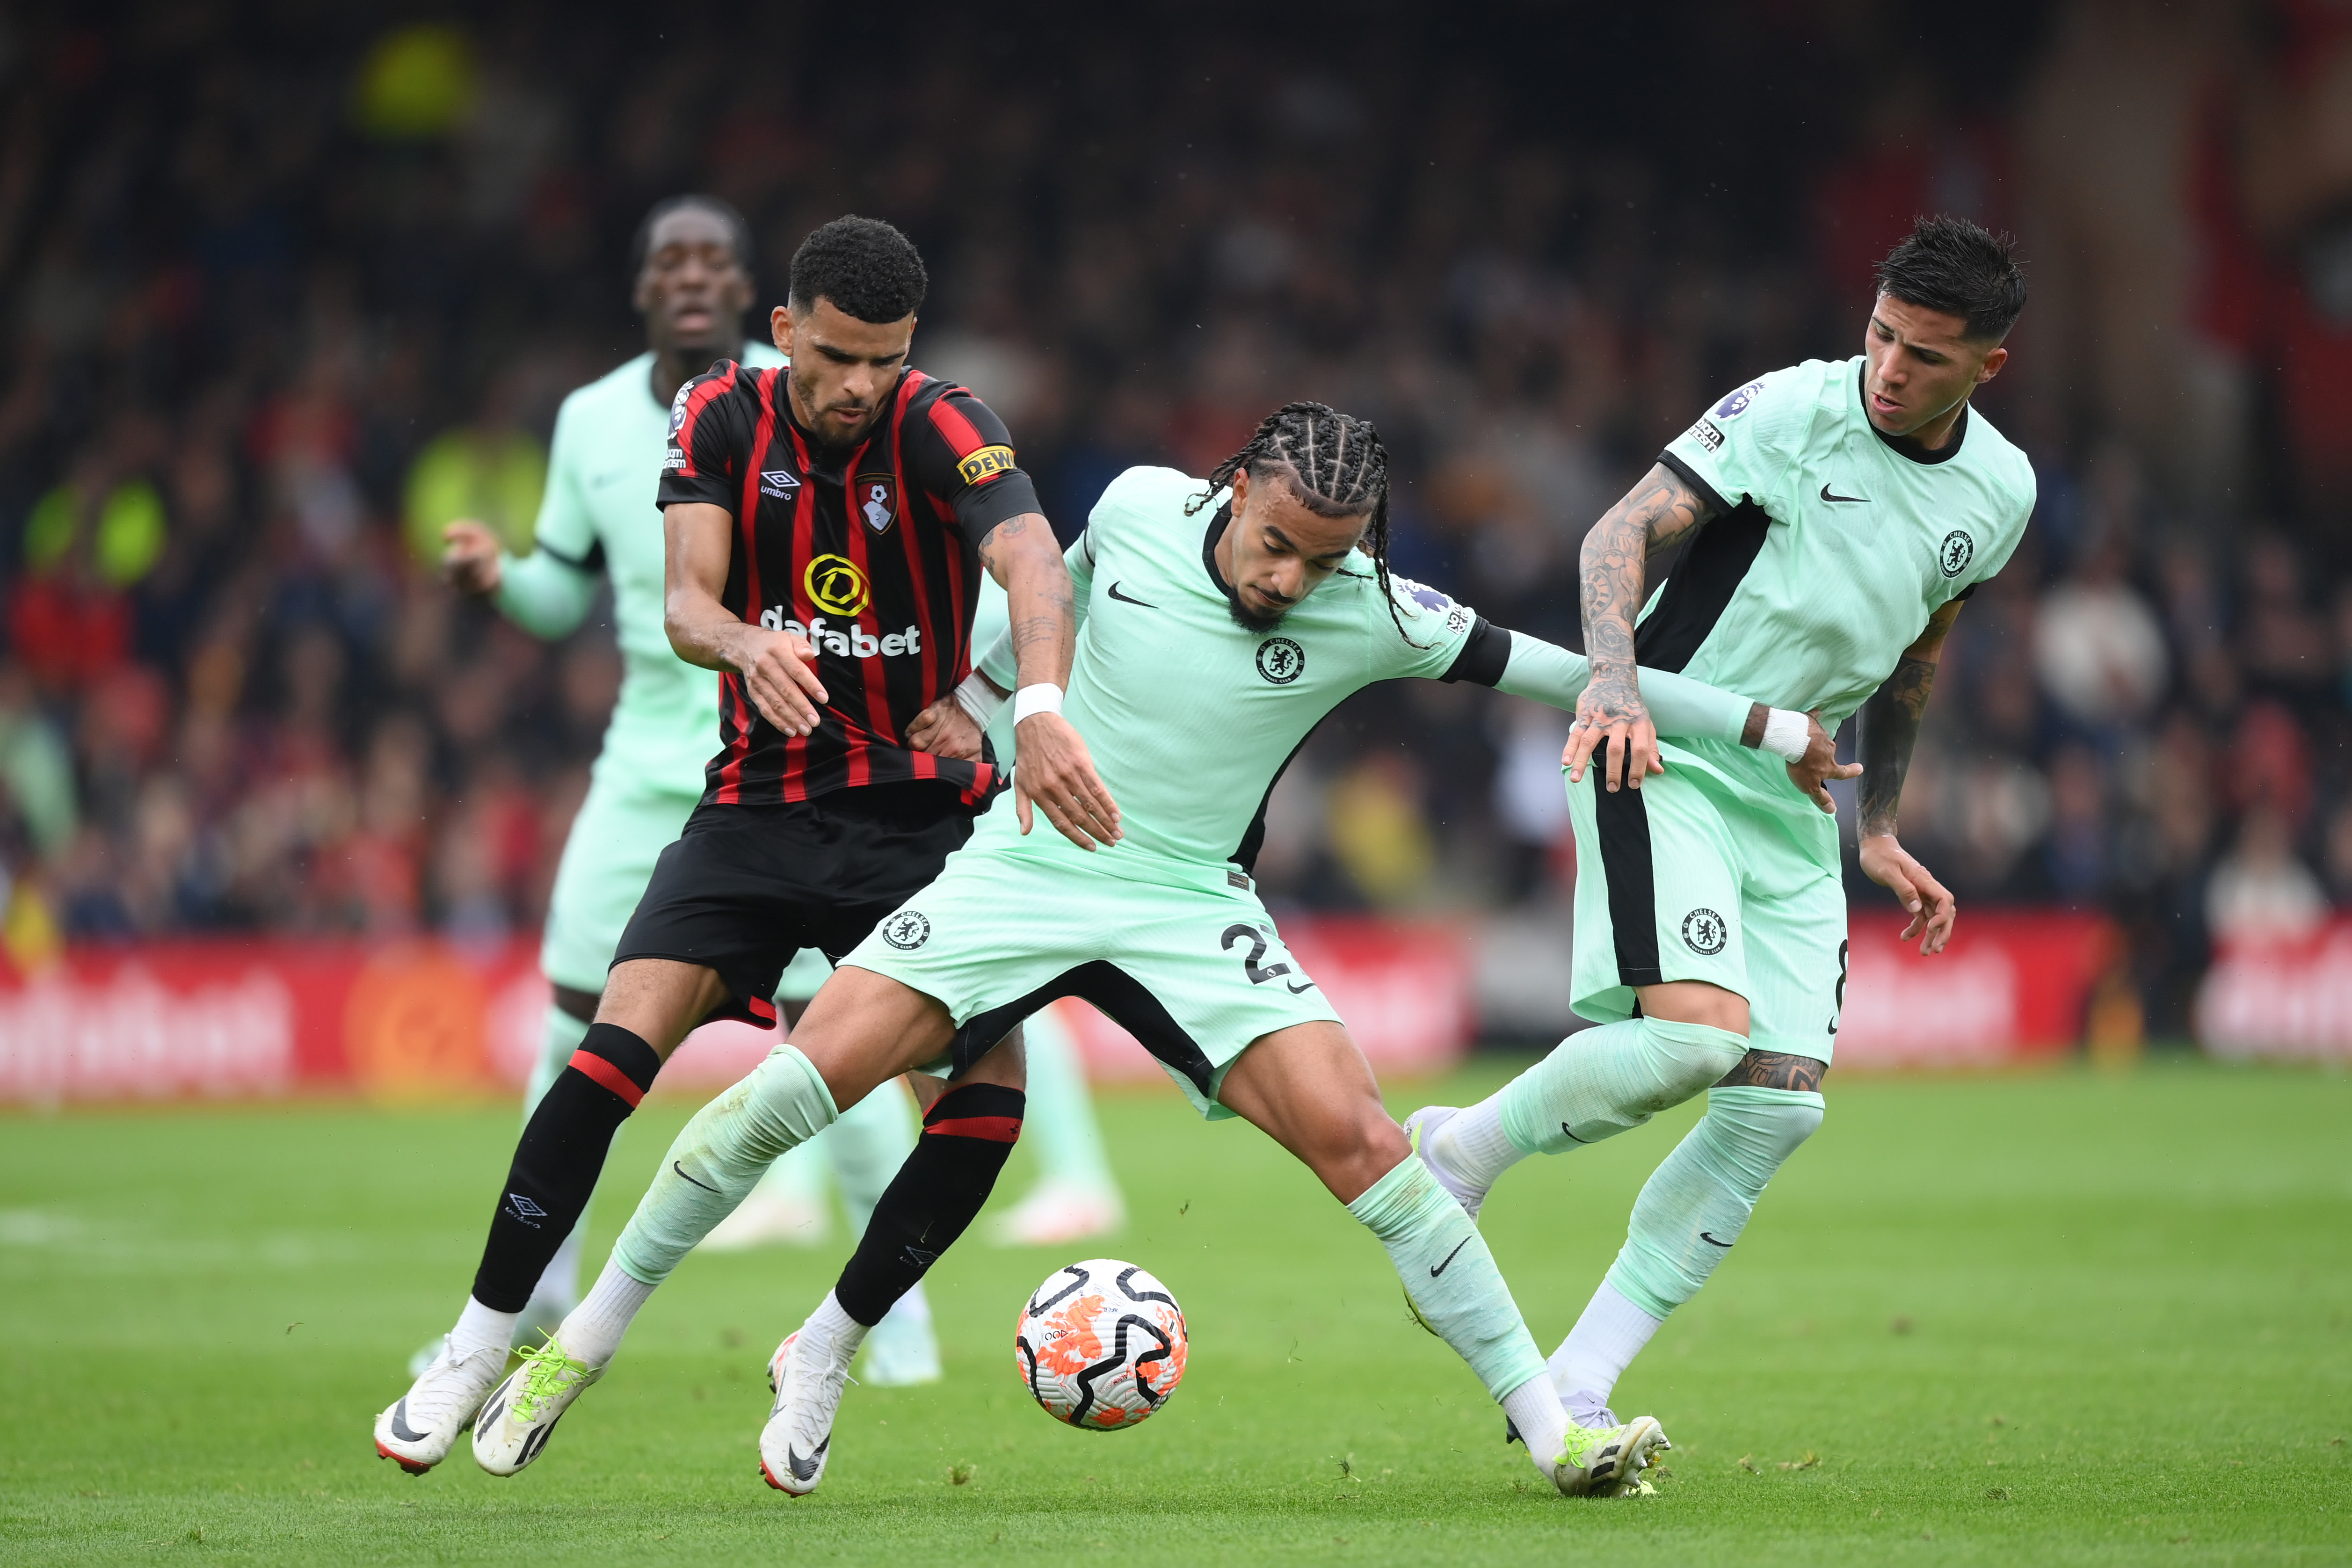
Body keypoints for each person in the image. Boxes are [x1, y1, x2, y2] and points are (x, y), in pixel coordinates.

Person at [463, 401, 1843, 1499]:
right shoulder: (1129, 507)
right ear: (1236, 486)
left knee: (1364, 1142)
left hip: (1190, 904)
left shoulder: (1373, 605)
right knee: (781, 1094)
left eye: (1328, 556)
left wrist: (1770, 730)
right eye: (1280, 544)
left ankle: (1554, 1435)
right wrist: (986, 697)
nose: (1293, 578)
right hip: (1026, 867)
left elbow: (1554, 666)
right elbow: (1036, 603)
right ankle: (573, 1356)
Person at [375, 213, 1113, 1474]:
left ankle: (829, 1342)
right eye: (833, 357)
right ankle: (476, 1344)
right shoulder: (721, 413)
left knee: (987, 1105)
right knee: (608, 1052)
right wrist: (743, 641)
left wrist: (1024, 702)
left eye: (882, 360)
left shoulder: (942, 421)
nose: (857, 385)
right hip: (755, 808)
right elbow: (681, 601)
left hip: (916, 824)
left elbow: (1037, 558)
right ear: (784, 334)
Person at [1405, 216, 2034, 1445]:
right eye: (1879, 334)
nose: (1887, 368)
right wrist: (1614, 681)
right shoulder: (1790, 413)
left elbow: (1917, 650)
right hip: (1666, 747)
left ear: (1986, 367)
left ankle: (1579, 1383)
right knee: (1696, 1043)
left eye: (1921, 355)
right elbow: (1613, 536)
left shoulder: (1999, 491)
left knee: (1774, 1107)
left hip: (1795, 793)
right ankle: (1455, 1152)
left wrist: (1883, 823)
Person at [413, 196, 937, 1389]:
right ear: (643, 284)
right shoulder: (590, 418)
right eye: (670, 259)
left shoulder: (811, 387)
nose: (691, 275)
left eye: (713, 257)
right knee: (571, 1027)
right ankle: (527, 1302)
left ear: (754, 290)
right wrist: (502, 580)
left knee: (833, 1036)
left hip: (782, 757)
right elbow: (568, 597)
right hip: (647, 763)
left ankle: (888, 1326)